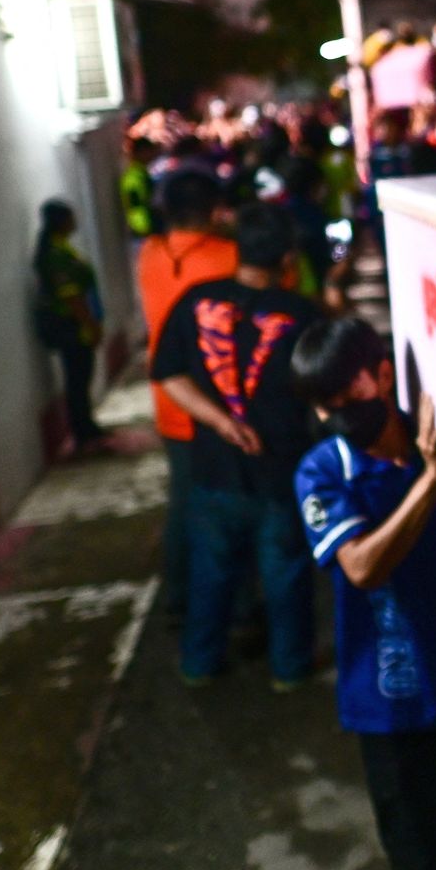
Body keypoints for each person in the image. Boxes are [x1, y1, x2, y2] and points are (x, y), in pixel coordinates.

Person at [290, 317, 436, 870]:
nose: (337, 416)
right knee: (416, 861)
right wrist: (432, 480)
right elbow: (361, 567)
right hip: (390, 704)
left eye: (346, 397)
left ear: (383, 374)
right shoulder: (324, 471)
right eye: (323, 407)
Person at [151, 202, 319, 688]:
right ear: (288, 257)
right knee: (285, 575)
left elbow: (167, 373)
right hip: (280, 472)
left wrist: (221, 422)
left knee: (212, 573)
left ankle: (199, 663)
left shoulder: (195, 299)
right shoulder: (302, 314)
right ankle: (289, 669)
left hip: (214, 469)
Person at [136, 172, 239, 622]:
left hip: (170, 399)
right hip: (221, 404)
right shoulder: (228, 256)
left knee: (183, 506)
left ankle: (178, 599)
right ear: (215, 209)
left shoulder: (151, 253)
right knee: (231, 509)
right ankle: (237, 609)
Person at [32, 199, 105, 452]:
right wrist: (91, 324)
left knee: (81, 377)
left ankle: (87, 425)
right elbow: (72, 296)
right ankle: (82, 431)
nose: (75, 222)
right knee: (77, 379)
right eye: (71, 217)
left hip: (75, 324)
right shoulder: (56, 254)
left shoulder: (61, 248)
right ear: (61, 221)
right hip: (71, 326)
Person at [121, 137, 159, 240]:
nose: (152, 154)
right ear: (141, 152)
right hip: (143, 230)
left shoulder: (141, 173)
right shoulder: (134, 177)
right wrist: (144, 227)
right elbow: (135, 206)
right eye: (149, 151)